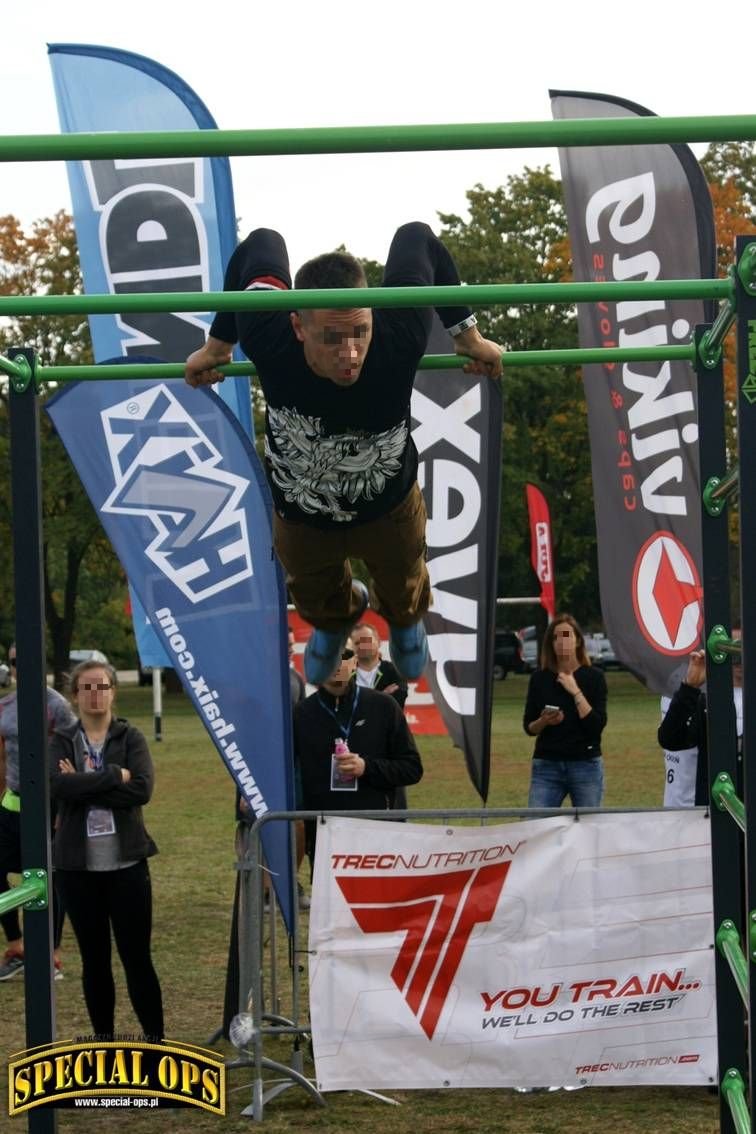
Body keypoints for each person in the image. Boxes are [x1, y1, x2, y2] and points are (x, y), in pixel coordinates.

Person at [184, 222, 504, 685]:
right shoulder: (266, 330)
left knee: (404, 580)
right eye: (331, 339)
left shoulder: (399, 327)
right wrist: (218, 345)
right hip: (303, 515)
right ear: (297, 325)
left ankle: (404, 619)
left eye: (359, 331)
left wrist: (467, 337)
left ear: (374, 314)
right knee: (313, 593)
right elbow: (261, 242)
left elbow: (417, 238)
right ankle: (336, 622)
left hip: (388, 506)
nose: (350, 352)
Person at [49, 661, 163, 1040]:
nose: (95, 694)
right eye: (86, 687)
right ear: (75, 695)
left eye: (102, 686)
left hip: (127, 865)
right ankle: (105, 1043)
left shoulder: (130, 738)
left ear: (114, 690)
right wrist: (114, 776)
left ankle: (156, 1044)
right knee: (95, 963)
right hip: (77, 870)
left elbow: (142, 790)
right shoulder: (62, 739)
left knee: (137, 960)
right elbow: (56, 787)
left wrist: (81, 781)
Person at [294, 638, 423, 859]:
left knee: (377, 894)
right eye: (325, 657)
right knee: (328, 895)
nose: (335, 664)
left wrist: (367, 767)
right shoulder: (300, 715)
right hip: (324, 835)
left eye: (343, 656)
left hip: (377, 832)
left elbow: (412, 768)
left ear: (355, 662)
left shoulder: (383, 706)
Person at [0, 644, 75, 981]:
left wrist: (65, 805)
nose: (21, 667)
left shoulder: (57, 706)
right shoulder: (5, 705)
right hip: (11, 803)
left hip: (48, 805)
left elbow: (74, 750)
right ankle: (16, 946)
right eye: (15, 662)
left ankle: (50, 955)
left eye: (28, 660)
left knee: (48, 878)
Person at [522, 614, 608, 808]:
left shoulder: (594, 677)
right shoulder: (539, 679)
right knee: (536, 826)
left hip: (585, 764)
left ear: (577, 640)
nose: (562, 641)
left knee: (588, 828)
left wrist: (575, 690)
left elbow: (595, 726)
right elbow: (529, 727)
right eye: (556, 637)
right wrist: (544, 721)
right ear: (550, 644)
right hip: (547, 765)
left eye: (567, 635)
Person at [658, 631, 743, 806]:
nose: (738, 661)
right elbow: (670, 739)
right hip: (713, 811)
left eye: (741, 651)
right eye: (732, 652)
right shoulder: (706, 701)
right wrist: (690, 687)